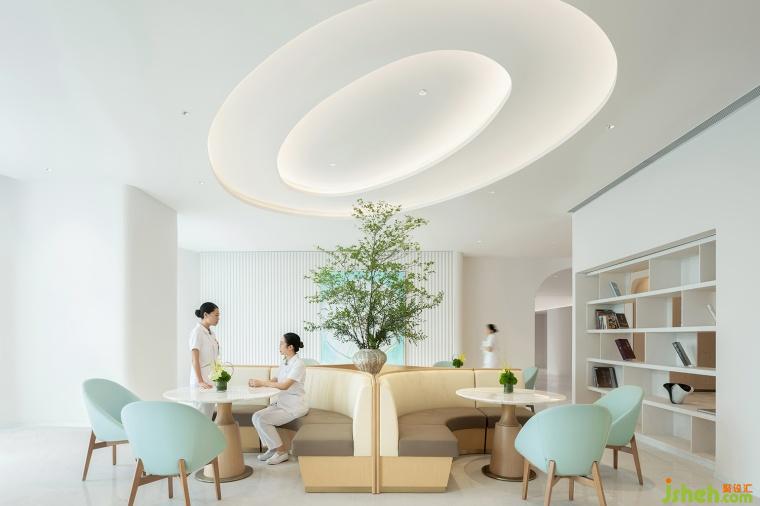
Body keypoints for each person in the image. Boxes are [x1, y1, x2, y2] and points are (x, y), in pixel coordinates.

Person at [249, 332, 308, 465]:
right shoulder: (285, 361)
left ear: (290, 347)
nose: (279, 346)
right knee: (256, 416)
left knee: (263, 420)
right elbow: (276, 379)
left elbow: (284, 385)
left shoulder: (298, 364)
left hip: (294, 406)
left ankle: (281, 452)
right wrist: (258, 383)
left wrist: (262, 383)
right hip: (283, 403)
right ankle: (273, 449)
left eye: (282, 343)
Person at [189, 302, 220, 418]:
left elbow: (214, 357)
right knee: (201, 417)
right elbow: (194, 360)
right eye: (216, 315)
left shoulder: (211, 334)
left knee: (208, 416)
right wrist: (200, 381)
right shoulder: (197, 333)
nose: (218, 318)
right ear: (206, 315)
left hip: (210, 381)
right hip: (201, 383)